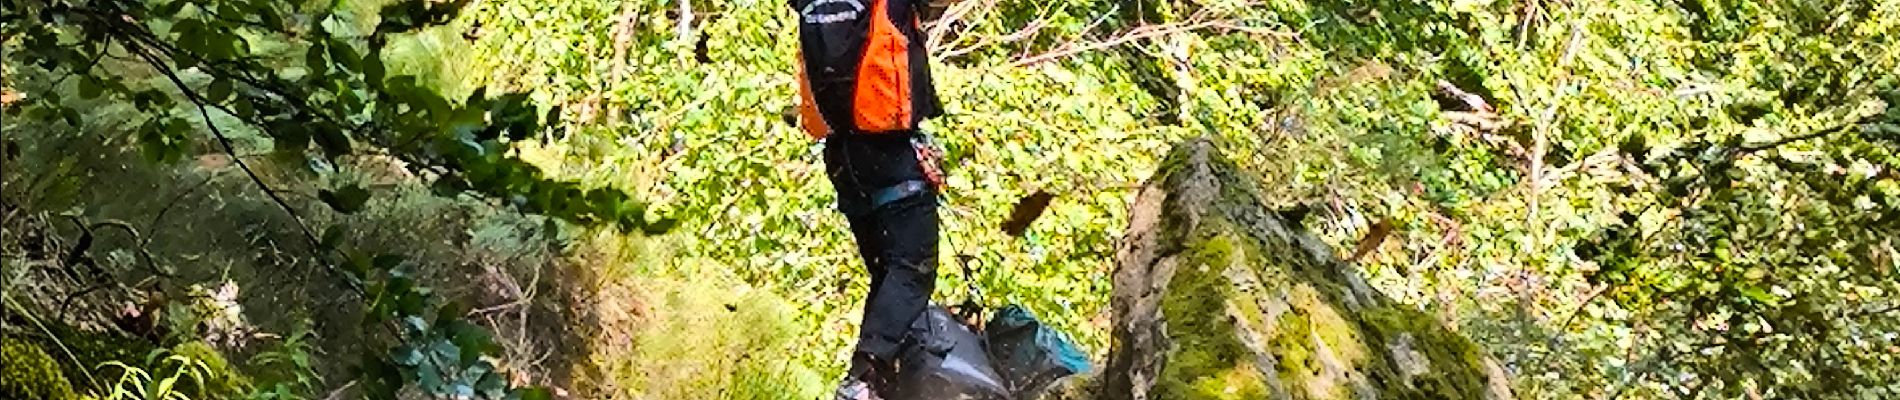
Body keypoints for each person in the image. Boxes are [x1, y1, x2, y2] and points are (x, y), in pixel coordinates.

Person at [785, 0, 946, 397]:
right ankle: (863, 380)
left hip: (844, 157)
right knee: (911, 268)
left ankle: (880, 385)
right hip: (888, 151)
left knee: (888, 273)